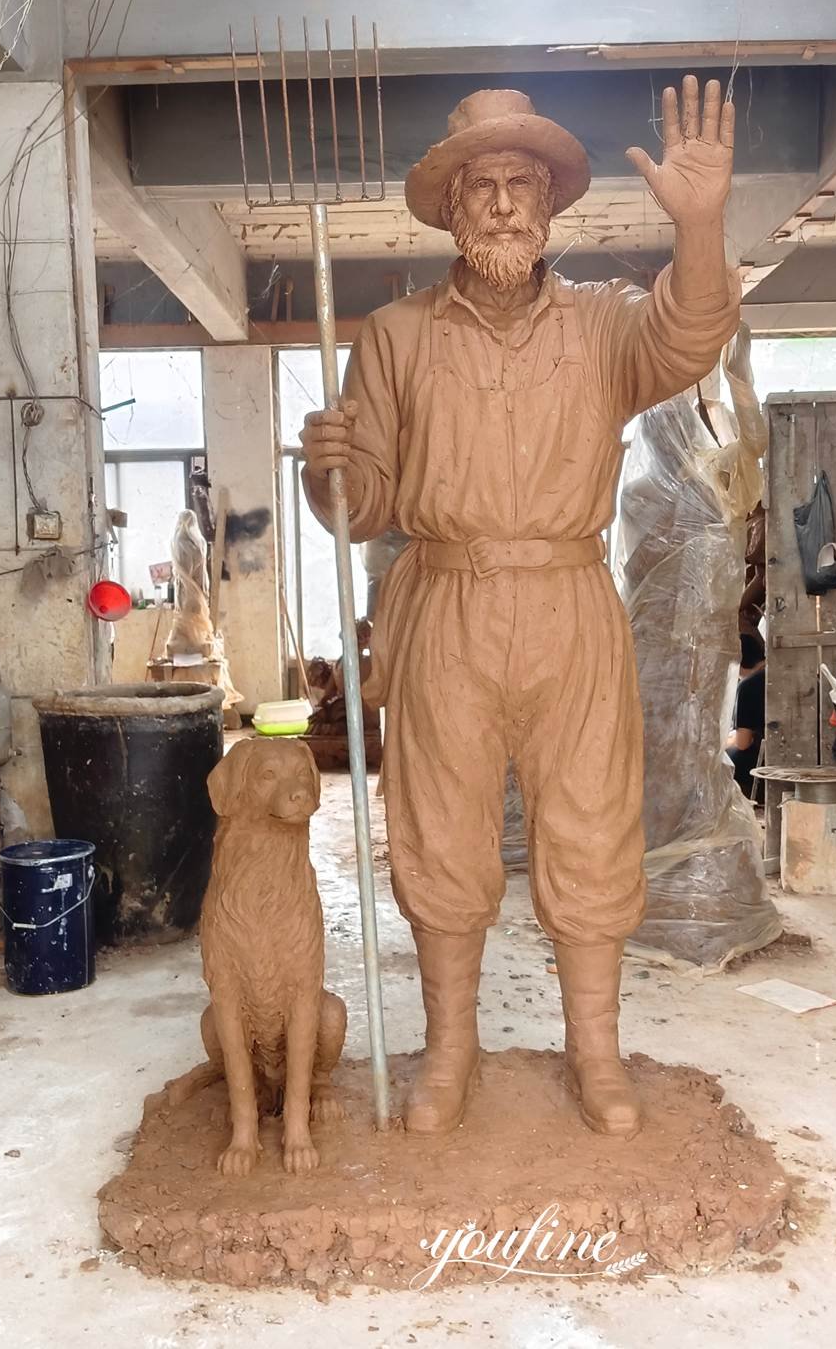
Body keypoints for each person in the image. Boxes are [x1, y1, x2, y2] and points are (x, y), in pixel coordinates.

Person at [301, 80, 739, 1139]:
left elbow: (691, 339)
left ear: (549, 206)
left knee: (590, 828)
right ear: (452, 207)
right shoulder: (395, 335)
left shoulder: (602, 326)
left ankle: (595, 1050)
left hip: (569, 603)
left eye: (521, 185)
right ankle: (451, 1050)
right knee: (440, 835)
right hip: (444, 601)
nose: (501, 204)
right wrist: (327, 471)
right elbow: (364, 508)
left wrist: (699, 225)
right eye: (482, 185)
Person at [727, 632, 767, 797]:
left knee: (725, 758)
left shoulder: (747, 686)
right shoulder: (782, 670)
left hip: (768, 764)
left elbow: (743, 743)